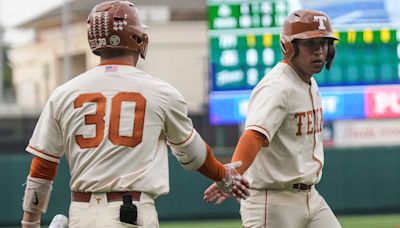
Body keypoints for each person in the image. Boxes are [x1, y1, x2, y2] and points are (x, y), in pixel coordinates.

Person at [20, 1, 249, 228]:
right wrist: (223, 175)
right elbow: (192, 154)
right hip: (132, 212)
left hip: (81, 214)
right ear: (138, 39)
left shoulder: (63, 93)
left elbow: (43, 165)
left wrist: (30, 221)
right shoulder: (161, 92)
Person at [204, 9, 342, 228]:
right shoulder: (277, 86)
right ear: (289, 47)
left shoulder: (309, 82)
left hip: (310, 197)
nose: (319, 51)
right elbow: (254, 135)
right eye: (310, 43)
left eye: (324, 43)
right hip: (273, 200)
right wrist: (232, 172)